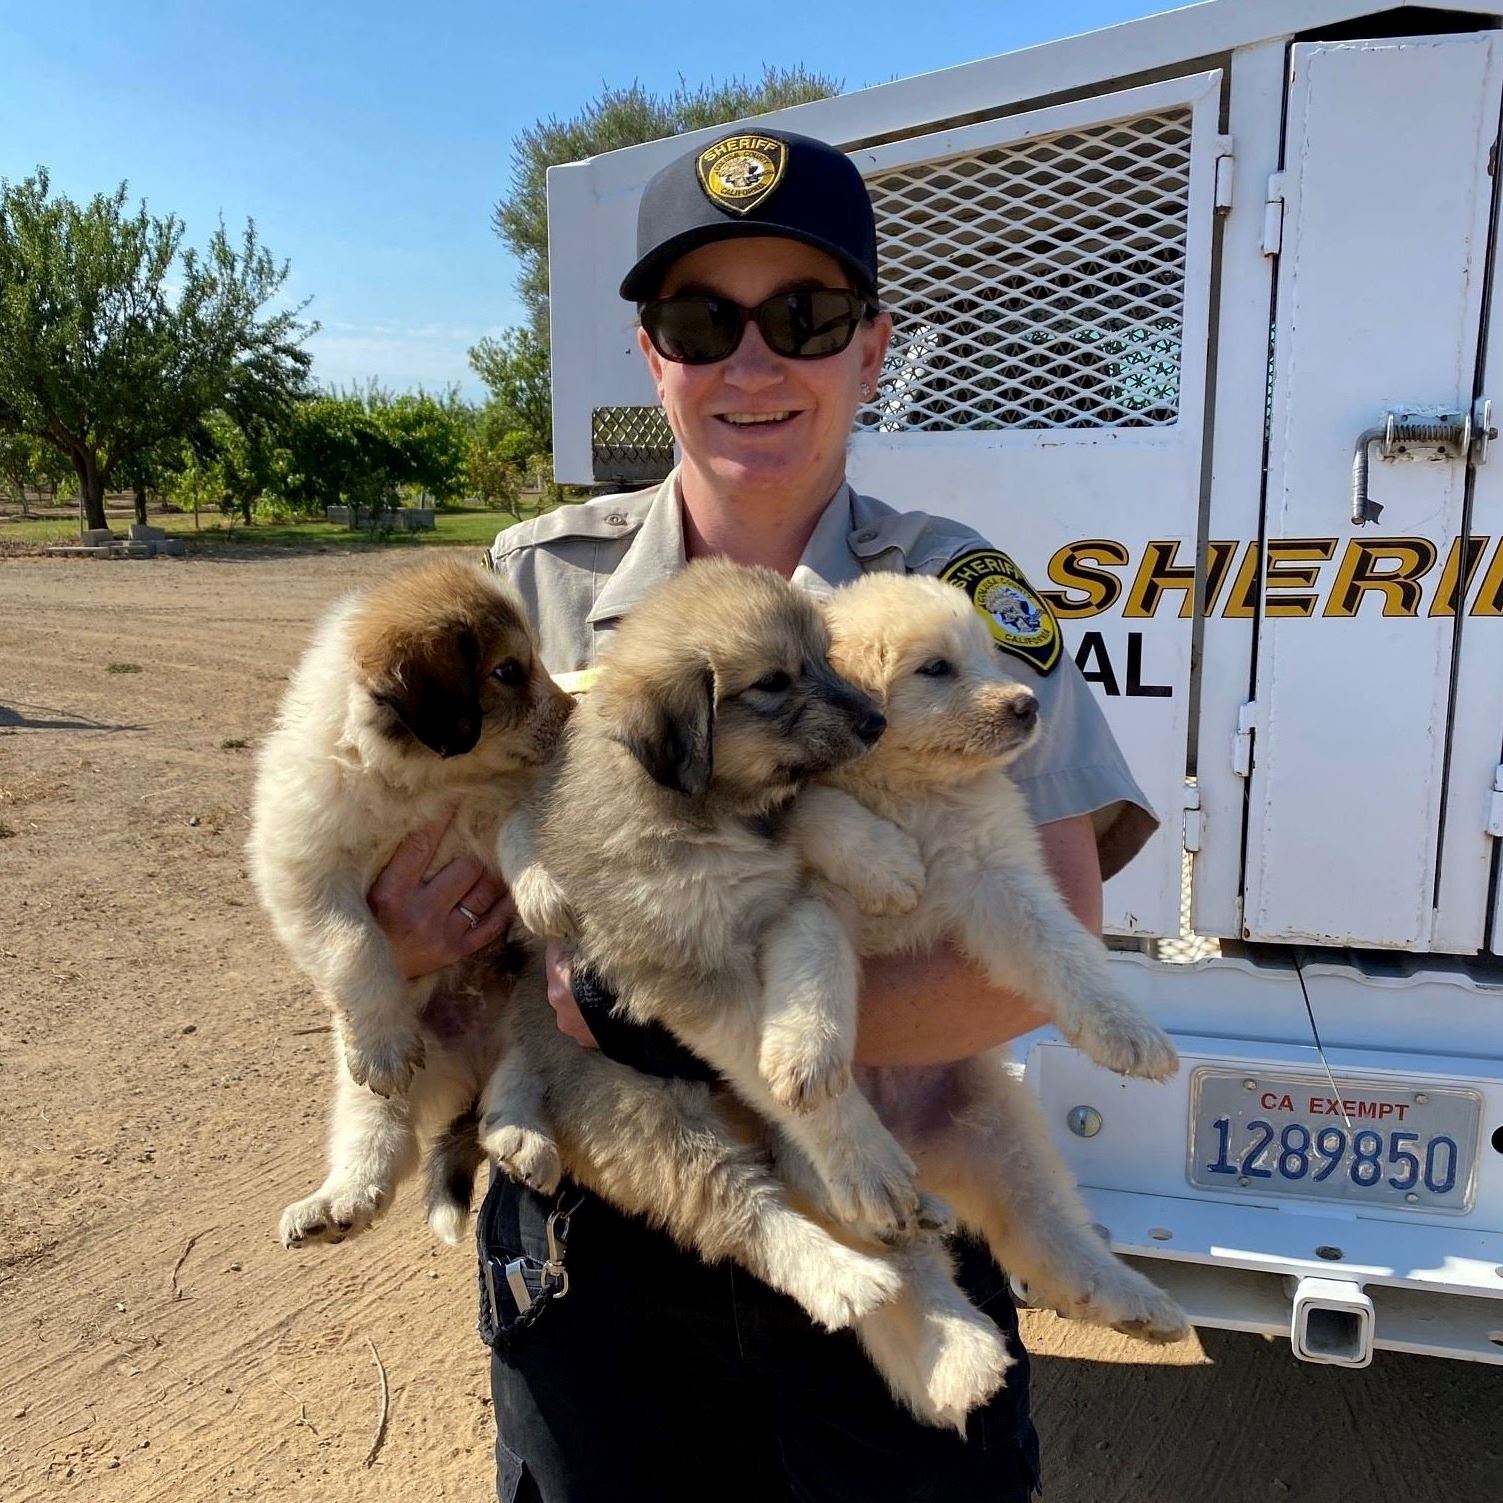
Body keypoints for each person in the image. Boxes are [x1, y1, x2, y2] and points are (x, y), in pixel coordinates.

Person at [368, 129, 1156, 1503]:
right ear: (649, 354)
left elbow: (1053, 939)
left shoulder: (957, 604)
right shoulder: (536, 592)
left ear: (873, 346)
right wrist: (410, 932)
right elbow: (416, 905)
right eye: (698, 319)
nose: (751, 363)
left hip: (893, 1197)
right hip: (611, 1245)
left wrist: (694, 1027)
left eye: (804, 315)